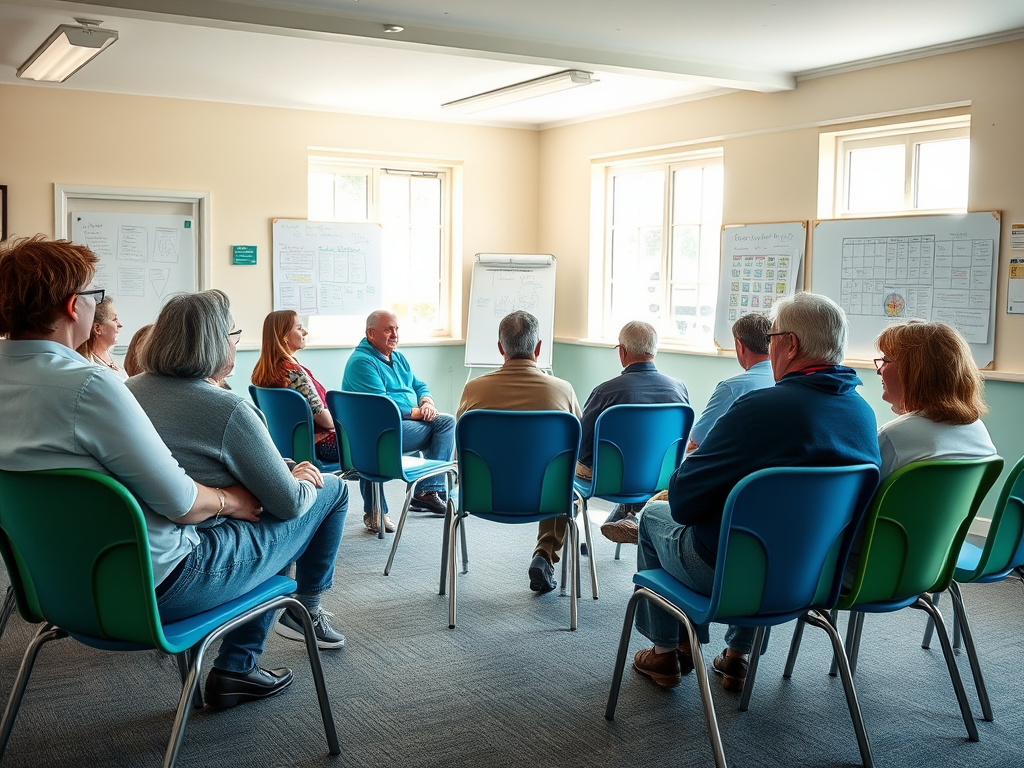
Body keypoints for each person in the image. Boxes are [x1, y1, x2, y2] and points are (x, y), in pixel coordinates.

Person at [0, 237, 297, 710]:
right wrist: (233, 500)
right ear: (73, 306)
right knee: (286, 510)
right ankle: (243, 663)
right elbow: (181, 502)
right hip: (156, 587)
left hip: (53, 588)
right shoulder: (90, 384)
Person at [631, 292, 880, 693]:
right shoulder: (863, 413)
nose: (770, 346)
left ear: (790, 344)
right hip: (815, 574)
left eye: (773, 336)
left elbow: (683, 500)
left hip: (731, 573)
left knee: (651, 518)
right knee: (767, 527)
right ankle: (737, 657)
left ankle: (666, 652)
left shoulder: (757, 409)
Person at [126, 289, 351, 697]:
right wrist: (300, 478)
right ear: (215, 342)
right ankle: (304, 613)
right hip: (182, 576)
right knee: (329, 492)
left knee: (270, 510)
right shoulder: (225, 408)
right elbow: (290, 504)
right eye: (234, 333)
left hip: (120, 571)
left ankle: (243, 662)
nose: (237, 341)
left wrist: (281, 471)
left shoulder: (128, 390)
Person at [457, 310, 582, 594]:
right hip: (545, 497)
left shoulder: (473, 390)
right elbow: (575, 449)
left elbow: (460, 449)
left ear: (500, 349)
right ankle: (545, 554)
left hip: (482, 495)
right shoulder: (563, 391)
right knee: (558, 478)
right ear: (538, 348)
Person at [570, 321, 688, 543]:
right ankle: (629, 517)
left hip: (609, 479)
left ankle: (553, 546)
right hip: (660, 479)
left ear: (622, 352)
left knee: (568, 463)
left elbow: (583, 448)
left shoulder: (606, 393)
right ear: (654, 350)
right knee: (636, 462)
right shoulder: (678, 389)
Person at [342, 310, 455, 532]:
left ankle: (426, 491)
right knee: (444, 424)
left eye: (396, 329)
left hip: (401, 425)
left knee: (444, 421)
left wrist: (427, 402)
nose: (394, 334)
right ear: (370, 333)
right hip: (378, 431)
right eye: (388, 329)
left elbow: (419, 384)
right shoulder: (362, 363)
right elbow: (382, 405)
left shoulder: (398, 357)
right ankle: (425, 492)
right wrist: (418, 412)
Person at [873, 320, 995, 479]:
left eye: (887, 359)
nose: (879, 370)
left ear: (915, 372)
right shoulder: (978, 431)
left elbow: (861, 499)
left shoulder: (892, 437)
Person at [251, 310, 344, 475]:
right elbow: (324, 419)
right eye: (300, 328)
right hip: (322, 445)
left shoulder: (265, 371)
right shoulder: (293, 372)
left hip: (291, 446)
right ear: (285, 336)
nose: (305, 332)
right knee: (368, 436)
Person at [76, 295, 128, 381]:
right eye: (115, 319)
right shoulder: (91, 368)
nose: (120, 324)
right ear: (97, 328)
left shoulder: (107, 354)